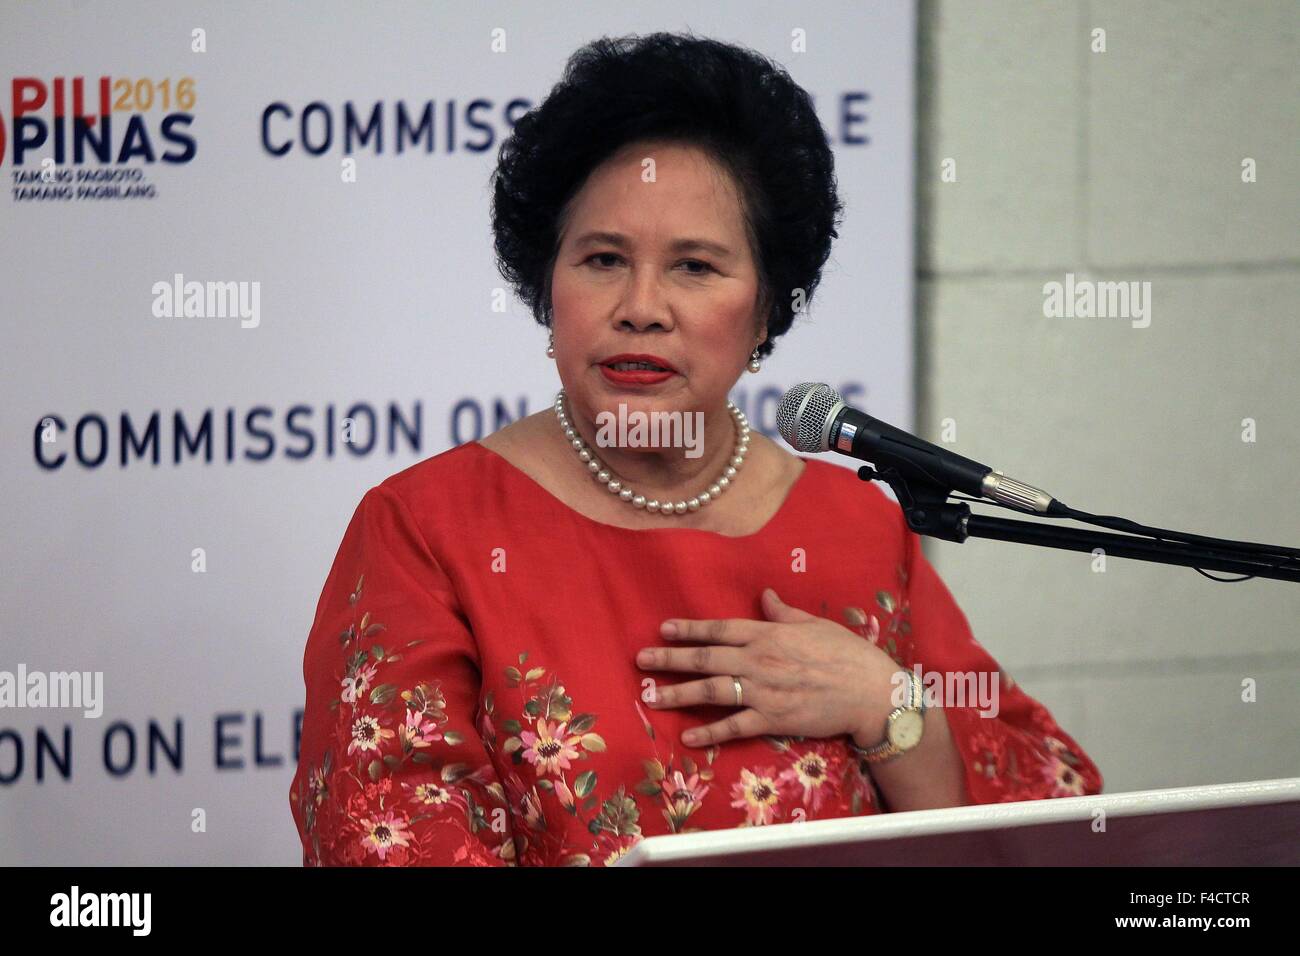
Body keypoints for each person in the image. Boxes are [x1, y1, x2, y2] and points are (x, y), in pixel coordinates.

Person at [289, 32, 1102, 867]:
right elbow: (381, 837)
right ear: (547, 287)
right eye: (603, 259)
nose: (641, 307)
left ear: (762, 316)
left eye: (695, 267)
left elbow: (1049, 820)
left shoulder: (852, 522)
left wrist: (887, 706)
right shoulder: (427, 530)